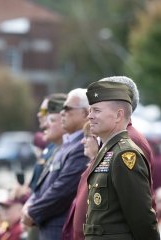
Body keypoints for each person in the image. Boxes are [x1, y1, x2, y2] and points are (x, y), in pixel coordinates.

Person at [62, 76, 156, 240]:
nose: (90, 116)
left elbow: (142, 219)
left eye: (96, 111)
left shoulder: (125, 154)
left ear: (119, 115)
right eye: (90, 110)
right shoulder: (109, 150)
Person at [22, 89, 89, 239]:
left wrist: (33, 212)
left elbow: (63, 189)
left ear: (85, 113)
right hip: (47, 226)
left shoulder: (80, 146)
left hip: (59, 228)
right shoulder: (65, 145)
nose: (62, 112)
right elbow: (43, 185)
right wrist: (30, 203)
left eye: (67, 108)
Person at [62, 122, 99, 240]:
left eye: (87, 136)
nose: (83, 141)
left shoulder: (98, 171)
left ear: (99, 140)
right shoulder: (90, 169)